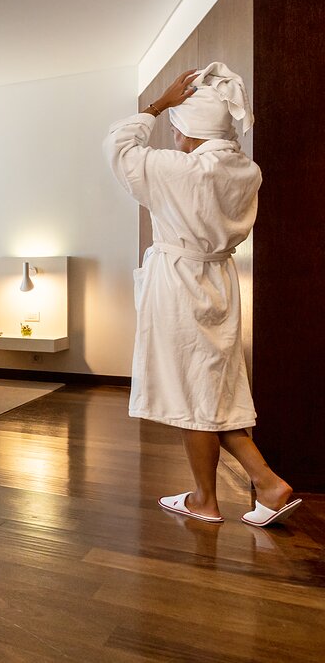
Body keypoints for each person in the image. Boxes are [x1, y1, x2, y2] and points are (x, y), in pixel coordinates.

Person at [104, 63, 301, 528]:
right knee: (212, 389)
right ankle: (263, 486)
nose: (173, 136)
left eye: (176, 126)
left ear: (189, 127)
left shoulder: (179, 170)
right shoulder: (244, 170)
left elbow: (117, 144)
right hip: (219, 282)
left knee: (192, 394)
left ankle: (209, 499)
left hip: (180, 285)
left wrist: (158, 105)